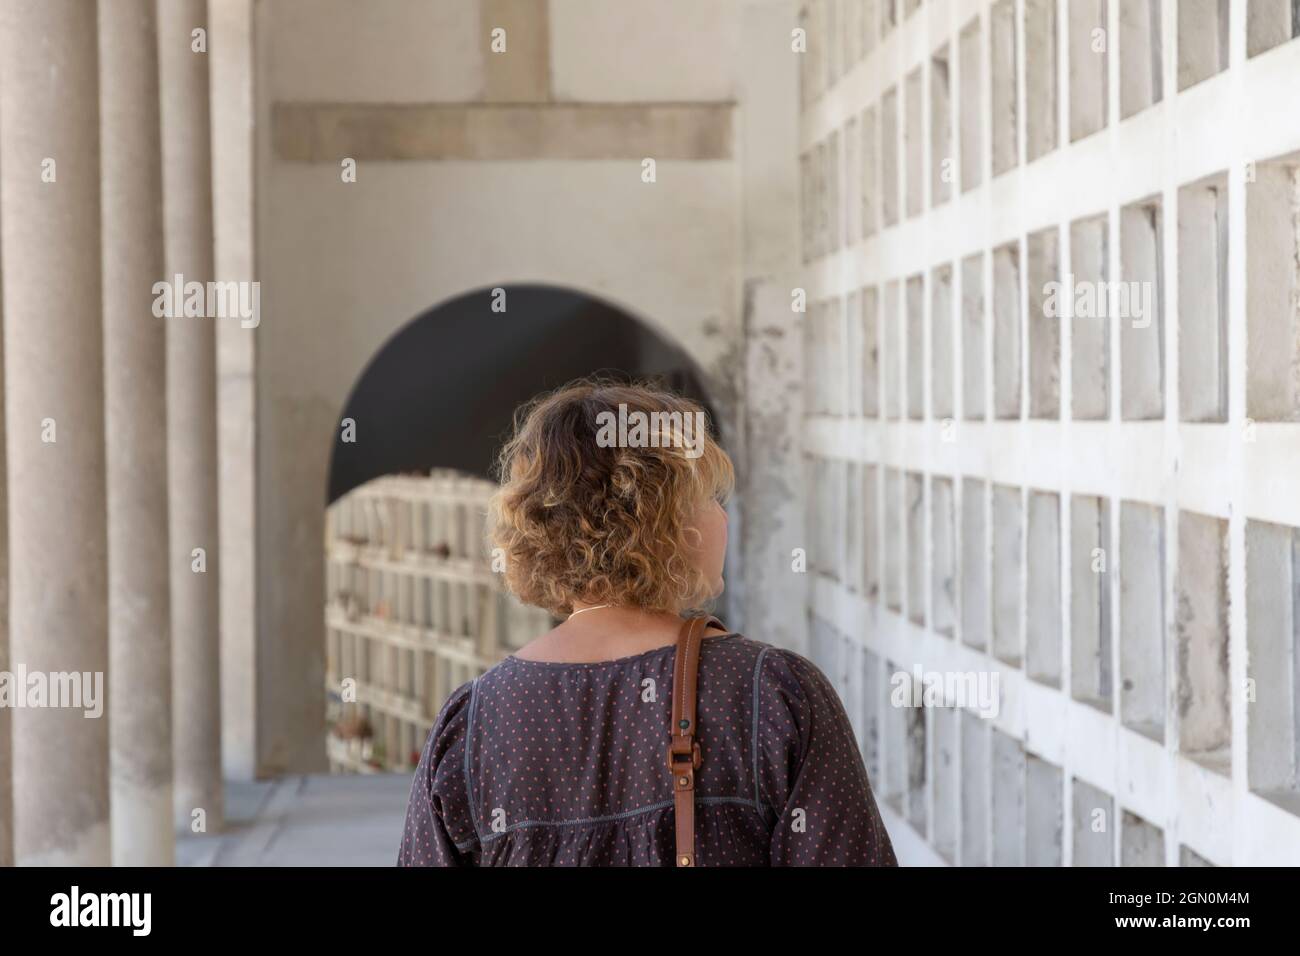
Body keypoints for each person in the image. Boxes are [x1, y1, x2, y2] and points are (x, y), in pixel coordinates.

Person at [397, 379, 896, 866]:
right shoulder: (773, 694)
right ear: (665, 519)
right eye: (709, 497)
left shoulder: (472, 724)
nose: (723, 519)